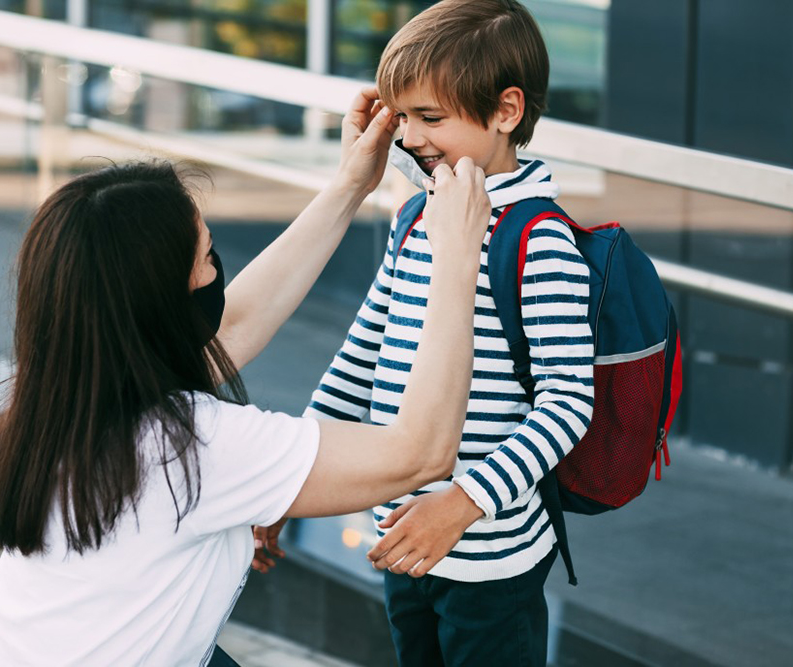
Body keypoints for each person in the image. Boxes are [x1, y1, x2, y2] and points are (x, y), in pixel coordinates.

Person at [0, 87, 492, 666]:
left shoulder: (67, 398)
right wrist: (457, 257)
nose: (219, 272)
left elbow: (232, 324)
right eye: (209, 257)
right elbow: (419, 453)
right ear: (162, 304)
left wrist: (350, 186)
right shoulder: (187, 446)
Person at [294, 2, 596, 665]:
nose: (409, 137)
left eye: (431, 118)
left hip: (491, 561)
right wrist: (286, 486)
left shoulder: (537, 241)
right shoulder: (415, 219)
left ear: (506, 111)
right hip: (403, 540)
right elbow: (358, 360)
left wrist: (462, 503)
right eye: (400, 116)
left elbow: (569, 401)